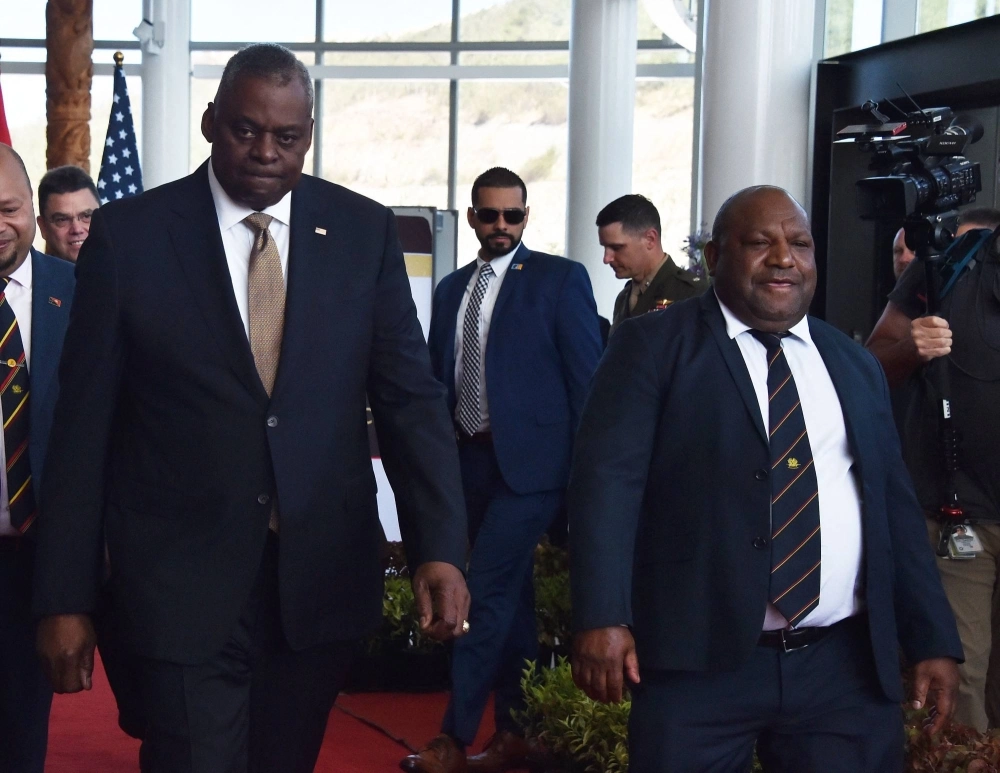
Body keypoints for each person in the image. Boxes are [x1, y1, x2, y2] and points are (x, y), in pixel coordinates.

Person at [32, 43, 470, 773]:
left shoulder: (360, 232)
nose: (265, 151)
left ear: (309, 135)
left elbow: (410, 401)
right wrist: (65, 595)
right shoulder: (132, 236)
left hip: (317, 581)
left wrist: (440, 544)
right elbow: (83, 427)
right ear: (210, 122)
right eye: (244, 129)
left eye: (287, 137)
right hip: (177, 584)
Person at [569, 185, 963, 773]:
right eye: (760, 243)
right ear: (713, 258)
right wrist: (601, 615)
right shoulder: (650, 346)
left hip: (842, 671)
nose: (784, 258)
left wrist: (932, 637)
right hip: (697, 665)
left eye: (799, 243)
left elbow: (893, 509)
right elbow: (606, 487)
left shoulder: (853, 364)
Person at [403, 167, 602, 773]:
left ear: (525, 215)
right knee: (511, 599)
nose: (500, 226)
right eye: (489, 215)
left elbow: (587, 384)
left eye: (512, 216)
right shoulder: (450, 289)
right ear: (471, 217)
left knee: (482, 589)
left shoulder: (559, 280)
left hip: (533, 471)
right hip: (467, 461)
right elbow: (438, 382)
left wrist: (585, 480)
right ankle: (516, 731)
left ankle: (453, 739)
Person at [867, 206, 1000, 732]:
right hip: (958, 519)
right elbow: (872, 364)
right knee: (959, 686)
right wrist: (911, 347)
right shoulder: (949, 262)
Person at [0, 145, 75, 772]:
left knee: (22, 719)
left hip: (42, 551)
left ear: (34, 212)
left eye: (8, 209)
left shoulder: (79, 292)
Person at [597, 193, 706, 338]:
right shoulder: (624, 298)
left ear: (650, 239)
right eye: (605, 247)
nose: (607, 258)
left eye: (617, 248)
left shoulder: (692, 294)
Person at [35, 165, 100, 262]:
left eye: (87, 216)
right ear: (43, 227)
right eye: (62, 220)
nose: (77, 229)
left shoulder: (127, 273)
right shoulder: (33, 276)